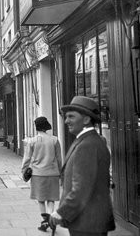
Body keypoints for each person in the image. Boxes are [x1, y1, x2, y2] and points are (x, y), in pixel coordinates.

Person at [49, 96, 116, 235]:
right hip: (88, 221)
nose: (66, 121)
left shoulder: (88, 145)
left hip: (88, 222)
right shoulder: (86, 140)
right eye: (66, 117)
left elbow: (81, 188)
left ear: (86, 119)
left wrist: (62, 212)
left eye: (71, 117)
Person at [21, 116, 62, 232]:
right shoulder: (54, 140)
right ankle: (50, 220)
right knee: (51, 198)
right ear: (46, 127)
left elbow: (27, 158)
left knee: (40, 199)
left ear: (36, 127)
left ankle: (45, 221)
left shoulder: (32, 141)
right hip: (53, 173)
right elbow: (59, 158)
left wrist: (23, 171)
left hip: (38, 174)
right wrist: (60, 172)